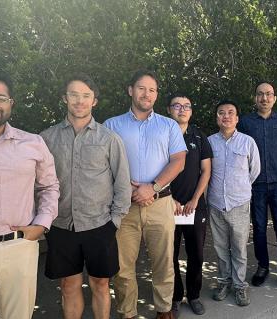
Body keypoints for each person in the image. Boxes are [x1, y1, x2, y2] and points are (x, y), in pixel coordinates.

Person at [40, 74, 132, 319]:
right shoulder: (47, 138)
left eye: (86, 96)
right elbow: (39, 182)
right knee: (68, 286)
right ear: (65, 98)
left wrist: (115, 221)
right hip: (61, 226)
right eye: (74, 95)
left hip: (100, 225)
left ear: (94, 101)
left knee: (100, 285)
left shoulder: (109, 139)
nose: (79, 101)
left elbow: (123, 184)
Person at [104, 69, 187, 319]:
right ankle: (127, 312)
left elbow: (178, 161)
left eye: (152, 90)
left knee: (164, 262)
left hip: (160, 204)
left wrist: (152, 187)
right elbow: (104, 163)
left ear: (156, 95)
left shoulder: (169, 125)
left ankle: (164, 310)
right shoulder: (111, 125)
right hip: (123, 207)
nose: (146, 93)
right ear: (131, 90)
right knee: (122, 267)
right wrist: (129, 189)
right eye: (141, 88)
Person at [0, 69, 59, 318]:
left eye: (0, 98)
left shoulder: (32, 143)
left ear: (11, 104)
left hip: (19, 246)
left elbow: (50, 187)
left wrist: (41, 224)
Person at [237, 82, 277, 295]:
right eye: (261, 94)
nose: (265, 98)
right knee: (260, 229)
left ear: (275, 97)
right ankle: (262, 266)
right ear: (255, 98)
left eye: (269, 94)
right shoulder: (245, 122)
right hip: (255, 186)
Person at [208, 100, 260, 307]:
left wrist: (240, 189)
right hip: (215, 204)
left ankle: (240, 286)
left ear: (237, 118)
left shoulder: (248, 142)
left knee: (239, 248)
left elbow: (254, 171)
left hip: (239, 204)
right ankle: (223, 282)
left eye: (231, 113)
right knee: (220, 247)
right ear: (217, 118)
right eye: (222, 113)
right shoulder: (210, 142)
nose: (226, 116)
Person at [166, 94, 213, 316]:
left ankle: (193, 295)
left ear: (191, 111)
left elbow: (206, 171)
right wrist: (169, 199)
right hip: (167, 206)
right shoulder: (162, 134)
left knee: (196, 254)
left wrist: (195, 199)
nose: (182, 109)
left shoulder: (199, 137)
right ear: (168, 110)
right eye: (177, 106)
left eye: (186, 106)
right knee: (169, 255)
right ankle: (175, 297)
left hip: (195, 207)